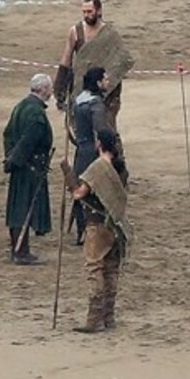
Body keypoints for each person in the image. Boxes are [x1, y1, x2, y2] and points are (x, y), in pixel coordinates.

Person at [61, 127, 130, 333]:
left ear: (99, 144)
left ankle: (94, 319)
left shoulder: (98, 168)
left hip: (97, 226)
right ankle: (109, 316)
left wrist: (67, 173)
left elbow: (79, 194)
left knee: (95, 268)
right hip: (115, 227)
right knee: (111, 270)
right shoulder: (121, 168)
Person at [53, 0, 128, 131]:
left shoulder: (110, 34)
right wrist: (59, 89)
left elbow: (121, 61)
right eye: (84, 12)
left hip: (106, 91)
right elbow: (66, 59)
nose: (87, 15)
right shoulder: (75, 32)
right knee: (83, 129)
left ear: (99, 11)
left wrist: (110, 86)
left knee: (107, 127)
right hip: (82, 88)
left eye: (90, 11)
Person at [71, 67, 129, 244]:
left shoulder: (79, 101)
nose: (107, 82)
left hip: (81, 151)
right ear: (97, 83)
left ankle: (81, 230)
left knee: (81, 188)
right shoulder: (95, 105)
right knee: (96, 191)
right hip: (94, 152)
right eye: (104, 79)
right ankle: (90, 231)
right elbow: (101, 131)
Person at [3, 74, 54, 266]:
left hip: (21, 165)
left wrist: (10, 157)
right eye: (49, 89)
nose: (51, 92)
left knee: (19, 208)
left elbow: (8, 135)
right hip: (29, 168)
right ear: (42, 89)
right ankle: (20, 252)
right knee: (22, 210)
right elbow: (28, 141)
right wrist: (15, 160)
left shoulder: (21, 106)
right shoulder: (35, 113)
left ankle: (19, 249)